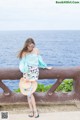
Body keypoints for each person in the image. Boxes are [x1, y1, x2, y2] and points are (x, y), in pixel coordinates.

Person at [18, 38, 51, 118]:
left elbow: (39, 60)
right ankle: (34, 111)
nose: (31, 48)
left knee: (29, 93)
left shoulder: (36, 50)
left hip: (34, 73)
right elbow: (22, 64)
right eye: (29, 46)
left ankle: (33, 111)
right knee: (29, 94)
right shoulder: (24, 52)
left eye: (32, 46)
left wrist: (45, 67)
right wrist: (25, 73)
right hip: (27, 73)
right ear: (26, 46)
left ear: (33, 45)